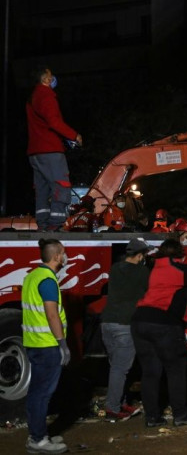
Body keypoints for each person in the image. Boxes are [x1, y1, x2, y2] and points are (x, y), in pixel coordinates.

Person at [131, 239, 187, 428]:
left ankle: (152, 417)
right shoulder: (179, 270)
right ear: (180, 255)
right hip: (163, 322)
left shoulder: (154, 267)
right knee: (176, 369)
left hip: (139, 320)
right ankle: (180, 414)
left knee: (150, 372)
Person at [22, 238, 70, 454]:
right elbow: (52, 314)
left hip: (33, 343)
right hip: (47, 345)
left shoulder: (33, 276)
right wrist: (63, 344)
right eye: (64, 252)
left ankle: (38, 433)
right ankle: (38, 440)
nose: (66, 255)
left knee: (36, 392)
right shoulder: (48, 280)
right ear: (56, 256)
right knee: (42, 393)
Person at [100, 238, 153, 421]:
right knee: (120, 369)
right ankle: (113, 409)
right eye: (144, 255)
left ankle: (120, 403)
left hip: (107, 322)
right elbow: (148, 292)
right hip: (125, 324)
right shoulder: (142, 271)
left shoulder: (115, 268)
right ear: (139, 256)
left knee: (115, 366)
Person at [27, 66, 83, 231]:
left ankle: (43, 223)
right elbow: (54, 122)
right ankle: (55, 224)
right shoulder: (46, 96)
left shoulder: (32, 98)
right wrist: (74, 136)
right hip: (50, 150)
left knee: (42, 189)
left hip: (35, 152)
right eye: (50, 76)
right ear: (45, 80)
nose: (53, 79)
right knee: (61, 184)